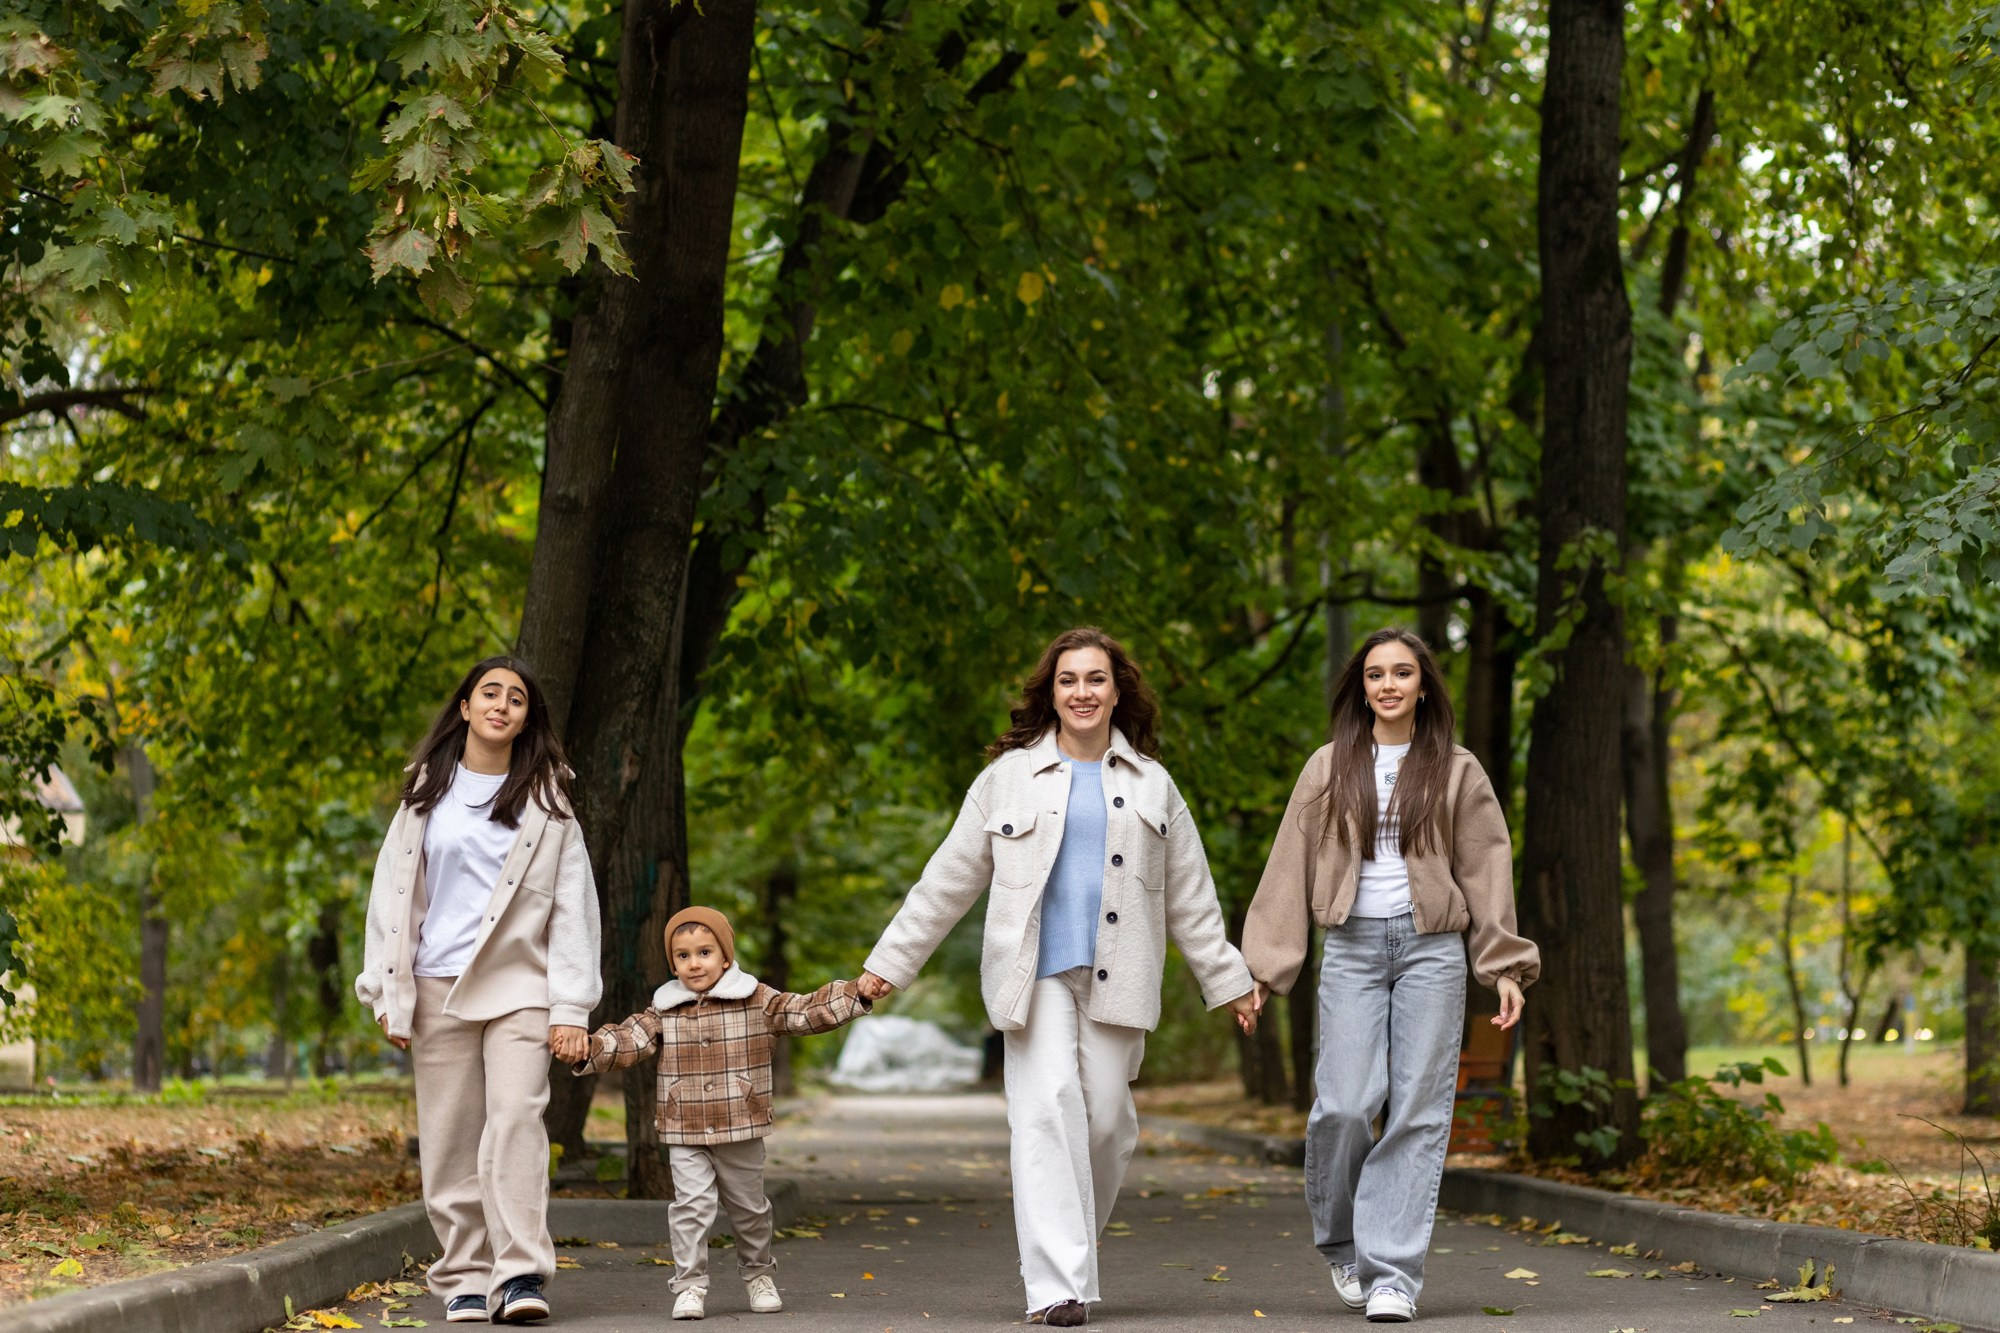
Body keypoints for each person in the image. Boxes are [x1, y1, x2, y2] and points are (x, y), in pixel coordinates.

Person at [858, 626, 1259, 1327]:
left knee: (1107, 1122)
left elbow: (1191, 896)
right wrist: (889, 963)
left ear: (1117, 691)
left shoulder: (1153, 784)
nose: (1082, 692)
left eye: (1096, 678)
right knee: (1047, 1112)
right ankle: (1056, 1287)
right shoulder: (1007, 779)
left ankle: (1069, 1248)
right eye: (1068, 679)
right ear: (1051, 692)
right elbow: (946, 880)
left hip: (1120, 974)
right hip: (1034, 975)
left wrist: (1228, 979)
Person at [1241, 628, 1540, 1324]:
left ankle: (1393, 1275)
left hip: (1432, 950)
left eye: (1402, 673)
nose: (1388, 685)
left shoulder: (1457, 769)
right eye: (1375, 674)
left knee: (1417, 1111)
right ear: (1362, 687)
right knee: (1345, 1105)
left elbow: (1486, 868)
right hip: (1351, 947)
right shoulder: (1329, 765)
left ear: (1423, 685)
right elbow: (1289, 866)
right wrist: (1263, 970)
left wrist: (1503, 966)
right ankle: (1344, 1242)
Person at [354, 656, 602, 1326]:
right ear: (465, 707)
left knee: (517, 1118)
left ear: (526, 718)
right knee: (450, 1136)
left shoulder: (549, 803)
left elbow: (573, 908)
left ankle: (519, 1272)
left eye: (516, 698)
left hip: (522, 985)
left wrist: (571, 1005)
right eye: (489, 693)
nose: (501, 705)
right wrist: (385, 991)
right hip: (437, 984)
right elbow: (391, 897)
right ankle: (464, 1275)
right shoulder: (423, 795)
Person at [571, 906, 871, 1321]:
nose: (694, 963)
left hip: (740, 1124)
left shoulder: (757, 999)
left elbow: (805, 1011)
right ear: (673, 964)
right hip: (685, 1127)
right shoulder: (664, 1008)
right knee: (691, 1208)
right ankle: (690, 1285)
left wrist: (856, 993)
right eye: (683, 955)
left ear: (725, 957)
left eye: (705, 952)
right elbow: (628, 1039)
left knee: (750, 1210)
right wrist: (589, 1048)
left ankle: (758, 1274)